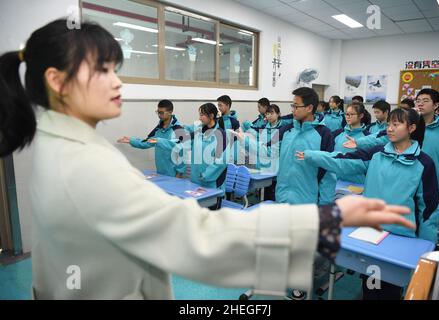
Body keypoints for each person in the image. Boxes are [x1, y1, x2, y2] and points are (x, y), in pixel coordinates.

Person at [0, 19, 414, 300]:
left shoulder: (57, 145)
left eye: (116, 68)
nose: (118, 81)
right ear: (57, 81)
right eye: (103, 70)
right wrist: (328, 220)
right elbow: (196, 237)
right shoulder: (84, 162)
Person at [297, 108, 439, 299]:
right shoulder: (376, 154)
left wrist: (426, 252)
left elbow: (428, 210)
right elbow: (342, 161)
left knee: (388, 290)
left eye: (396, 125)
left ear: (412, 128)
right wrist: (311, 155)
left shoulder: (423, 163)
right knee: (371, 284)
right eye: (389, 124)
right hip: (370, 233)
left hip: (401, 239)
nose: (389, 129)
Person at [344, 89, 439, 198]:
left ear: (436, 105)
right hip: (402, 184)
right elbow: (379, 136)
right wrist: (358, 142)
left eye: (425, 101)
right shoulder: (404, 125)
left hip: (432, 187)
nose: (420, 103)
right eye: (418, 100)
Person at [117, 99, 185, 178]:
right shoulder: (158, 128)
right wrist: (131, 141)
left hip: (174, 174)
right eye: (158, 112)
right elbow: (147, 142)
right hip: (160, 172)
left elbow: (183, 151)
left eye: (161, 112)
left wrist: (179, 173)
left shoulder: (179, 129)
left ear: (170, 112)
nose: (159, 115)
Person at [182, 103, 228, 209]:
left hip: (212, 184)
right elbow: (184, 143)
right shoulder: (199, 132)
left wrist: (206, 175)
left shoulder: (220, 134)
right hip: (196, 183)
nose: (199, 118)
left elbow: (221, 161)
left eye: (202, 115)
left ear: (211, 116)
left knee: (211, 220)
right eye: (200, 114)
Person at [331, 102, 371, 184]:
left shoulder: (368, 138)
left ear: (361, 116)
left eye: (351, 114)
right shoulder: (337, 134)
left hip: (357, 184)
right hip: (336, 182)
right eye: (346, 114)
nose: (348, 117)